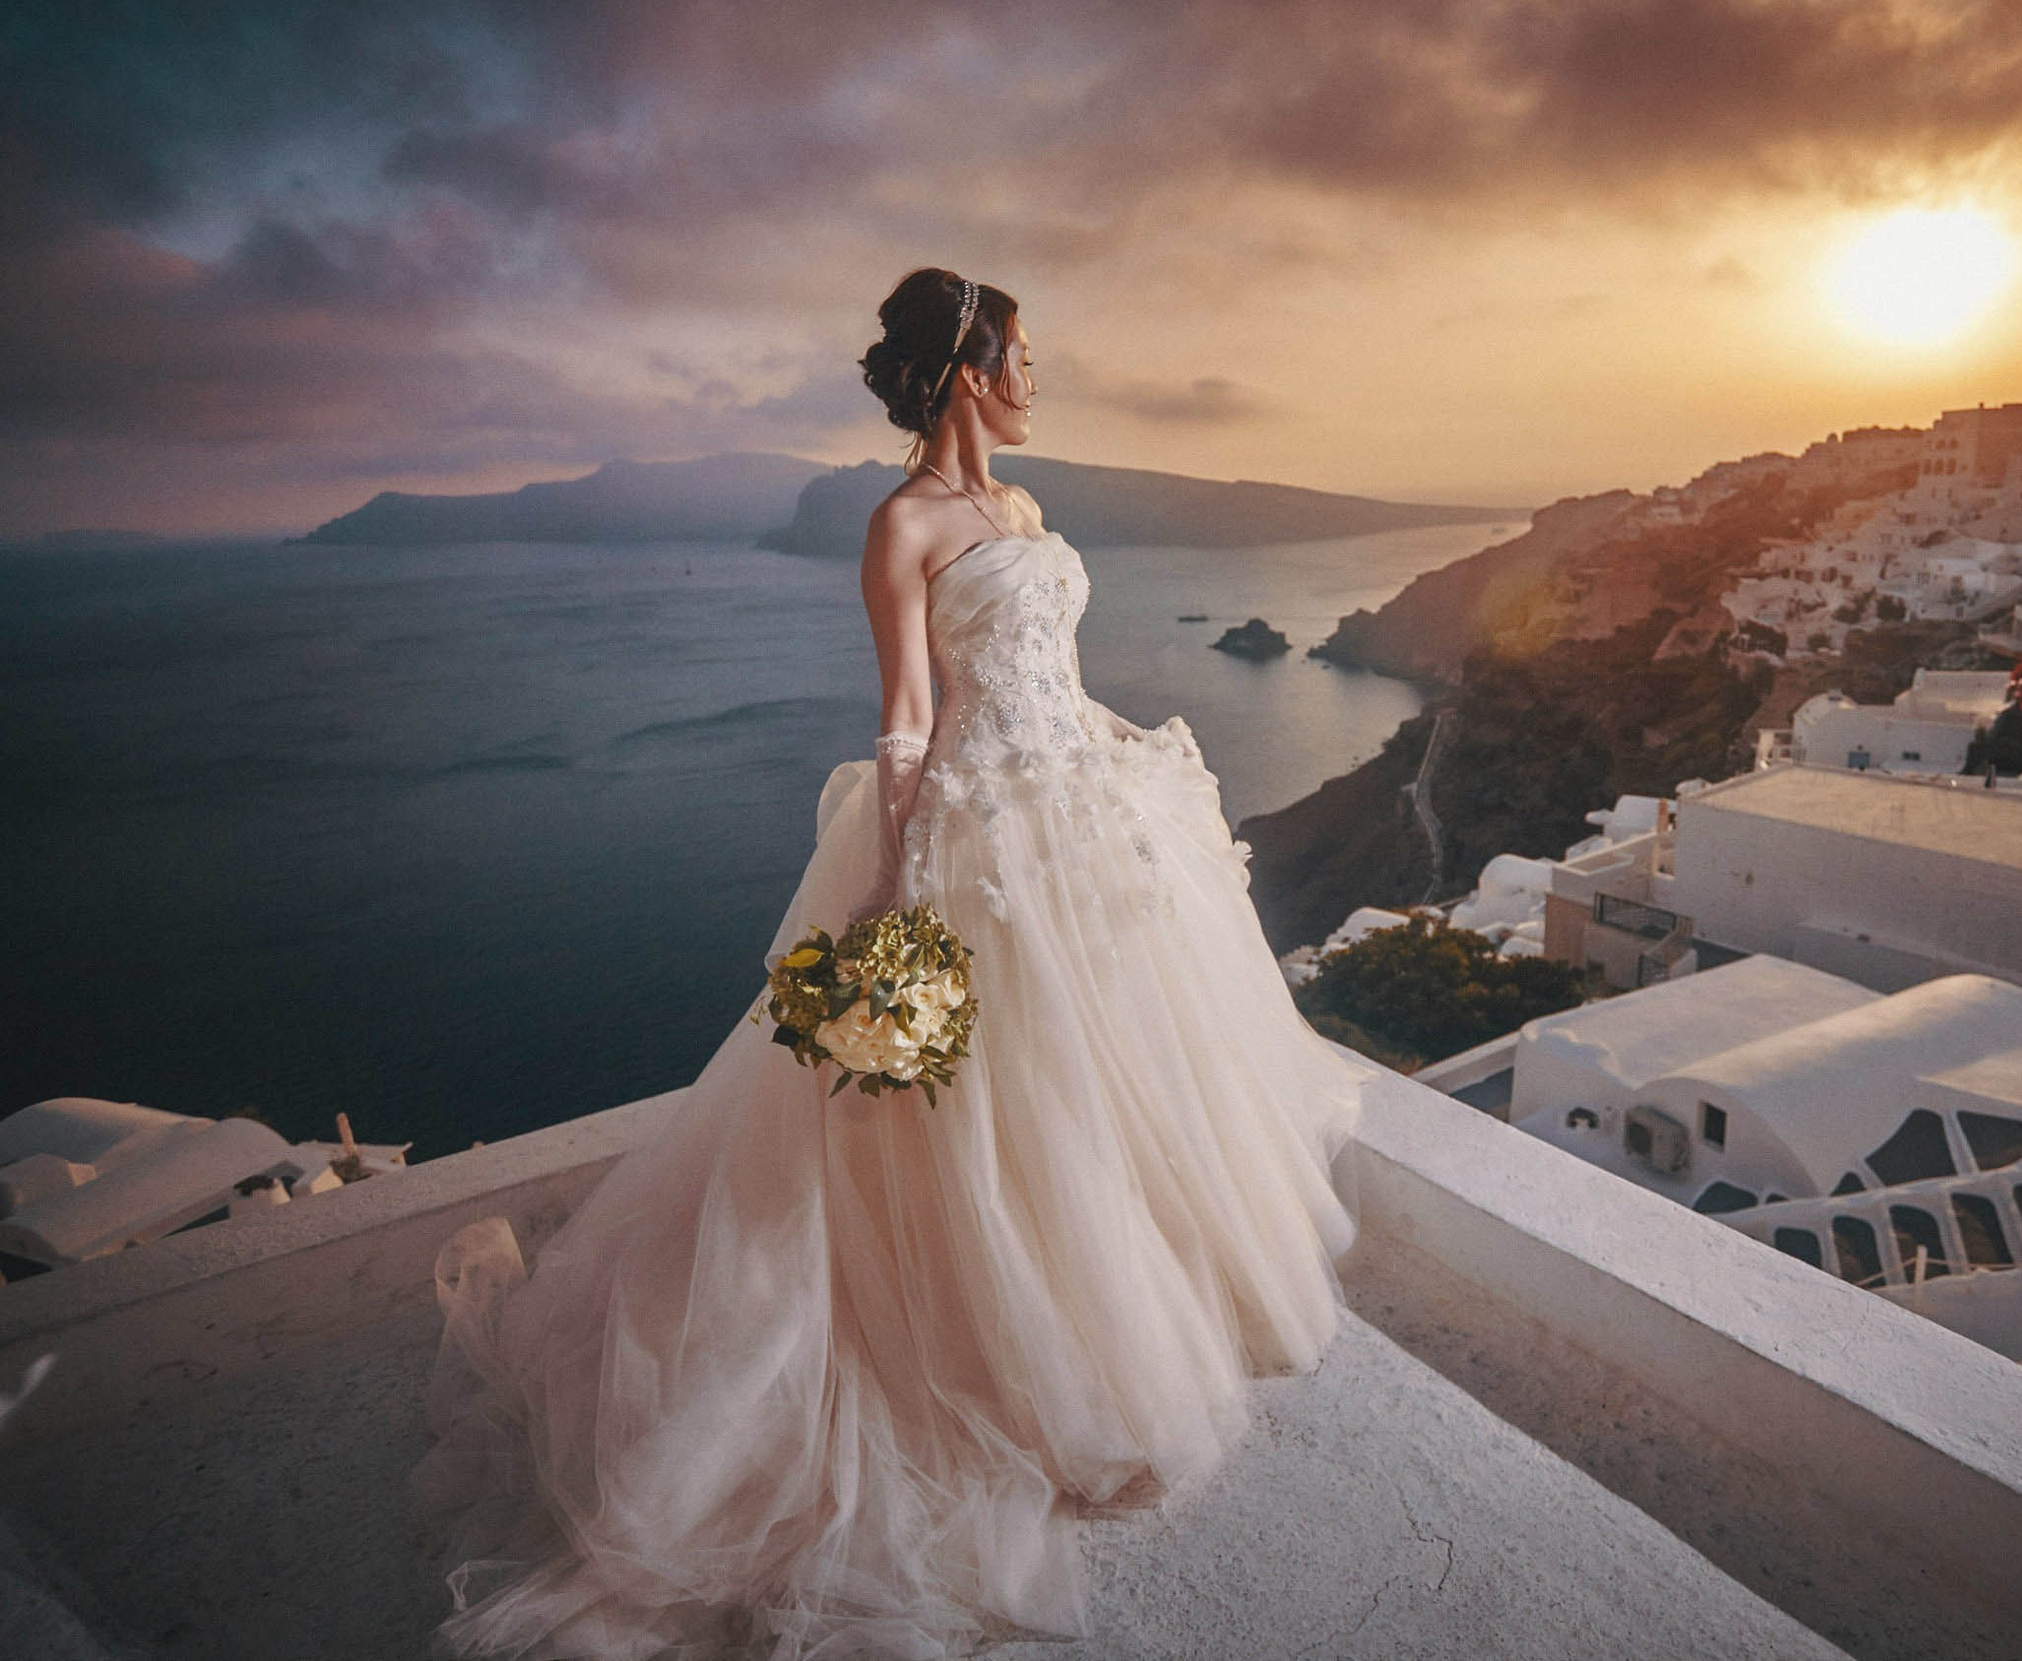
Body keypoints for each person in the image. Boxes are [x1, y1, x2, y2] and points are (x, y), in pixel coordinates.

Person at [414, 267, 1371, 1660]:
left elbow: (1046, 672)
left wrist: (1121, 736)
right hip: (977, 834)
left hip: (1076, 820)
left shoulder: (1022, 512)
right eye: (1023, 357)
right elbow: (912, 718)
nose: (1039, 379)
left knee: (1088, 1083)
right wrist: (891, 880)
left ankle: (1110, 1309)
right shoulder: (901, 523)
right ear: (969, 370)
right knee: (959, 1109)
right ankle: (996, 1354)